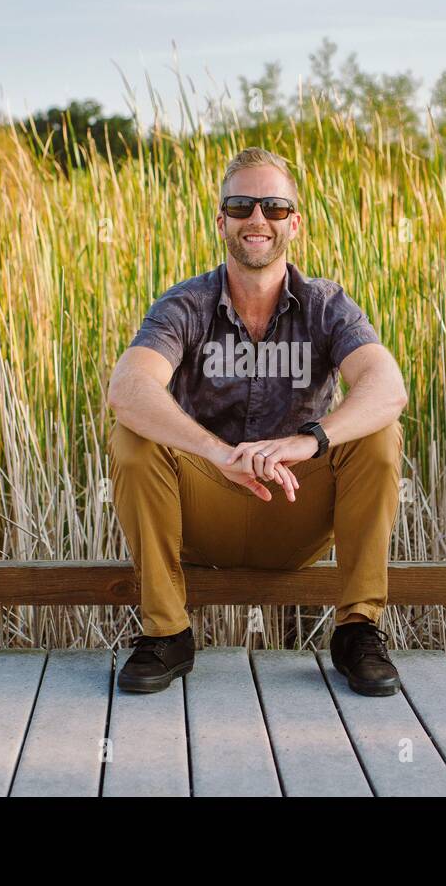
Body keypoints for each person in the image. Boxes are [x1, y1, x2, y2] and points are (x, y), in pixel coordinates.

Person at [106, 146, 408, 696]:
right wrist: (219, 454)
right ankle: (167, 634)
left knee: (378, 434)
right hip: (206, 510)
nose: (257, 219)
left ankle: (358, 629)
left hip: (296, 508)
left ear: (295, 221)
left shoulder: (325, 305)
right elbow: (127, 389)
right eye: (242, 205)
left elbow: (388, 387)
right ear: (221, 220)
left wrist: (310, 441)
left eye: (273, 206)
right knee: (133, 436)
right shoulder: (185, 305)